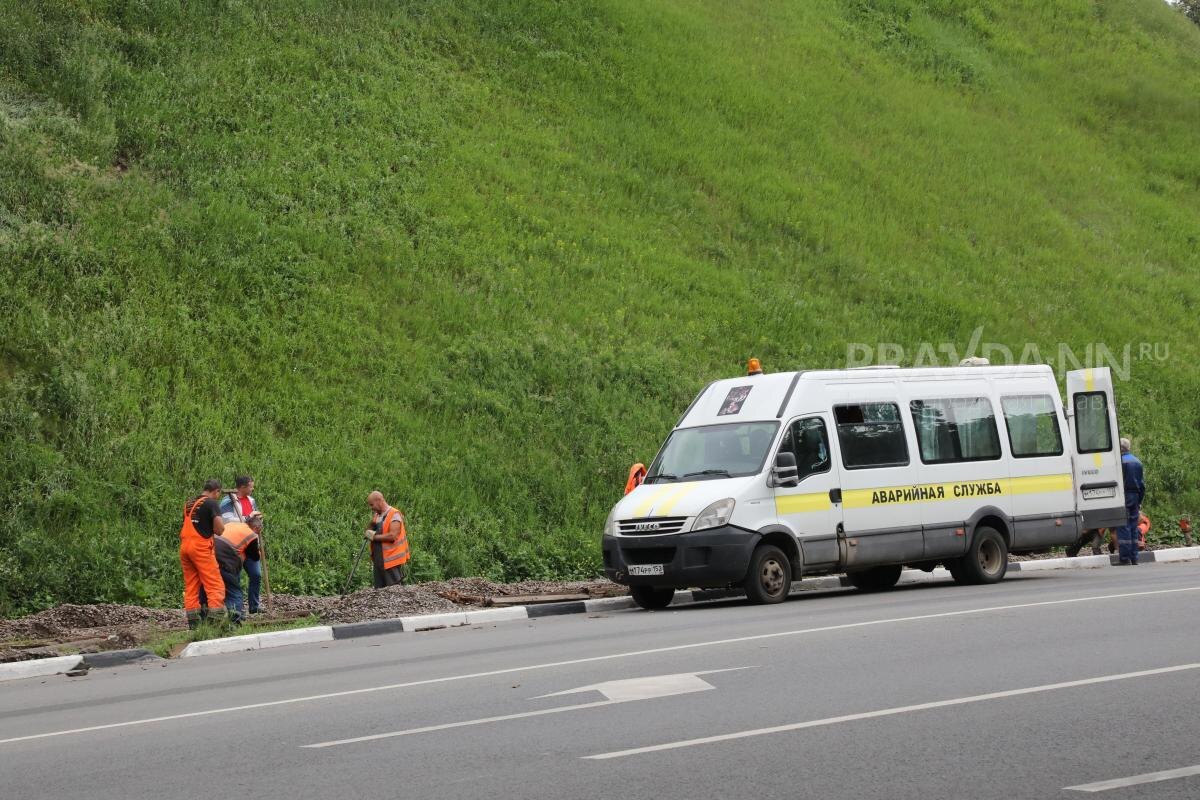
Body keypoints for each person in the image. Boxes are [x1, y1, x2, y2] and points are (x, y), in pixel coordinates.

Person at [180, 479, 227, 628]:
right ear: (216, 491)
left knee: (191, 586)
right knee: (214, 584)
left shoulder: (188, 504)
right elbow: (220, 529)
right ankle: (215, 624)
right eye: (218, 494)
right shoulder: (211, 503)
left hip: (185, 547)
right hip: (200, 548)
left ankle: (194, 625)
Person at [220, 476, 263, 613]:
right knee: (235, 579)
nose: (252, 488)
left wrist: (257, 519)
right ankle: (236, 610)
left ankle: (254, 606)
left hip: (250, 542)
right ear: (243, 487)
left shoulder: (251, 500)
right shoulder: (228, 501)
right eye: (251, 486)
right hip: (235, 546)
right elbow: (227, 521)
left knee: (256, 574)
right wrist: (249, 517)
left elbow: (254, 520)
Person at [211, 513, 263, 624]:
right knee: (235, 592)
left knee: (216, 587)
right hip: (225, 557)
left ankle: (211, 619)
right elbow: (254, 556)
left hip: (210, 552)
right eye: (258, 532)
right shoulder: (251, 534)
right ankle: (235, 620)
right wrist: (257, 551)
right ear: (256, 528)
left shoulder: (232, 525)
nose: (258, 535)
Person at [365, 491, 410, 587]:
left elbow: (393, 536)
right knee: (380, 590)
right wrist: (369, 529)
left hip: (391, 560)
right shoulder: (377, 515)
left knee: (393, 590)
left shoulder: (394, 514)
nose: (371, 508)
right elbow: (370, 530)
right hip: (379, 560)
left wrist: (373, 537)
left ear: (379, 501)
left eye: (372, 505)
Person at [1117, 438, 1146, 565]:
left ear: (1121, 448)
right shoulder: (1137, 462)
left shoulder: (1120, 462)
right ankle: (1134, 558)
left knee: (1123, 525)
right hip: (1135, 496)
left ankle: (1124, 558)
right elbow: (1142, 485)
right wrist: (1139, 500)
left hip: (1124, 496)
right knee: (1134, 527)